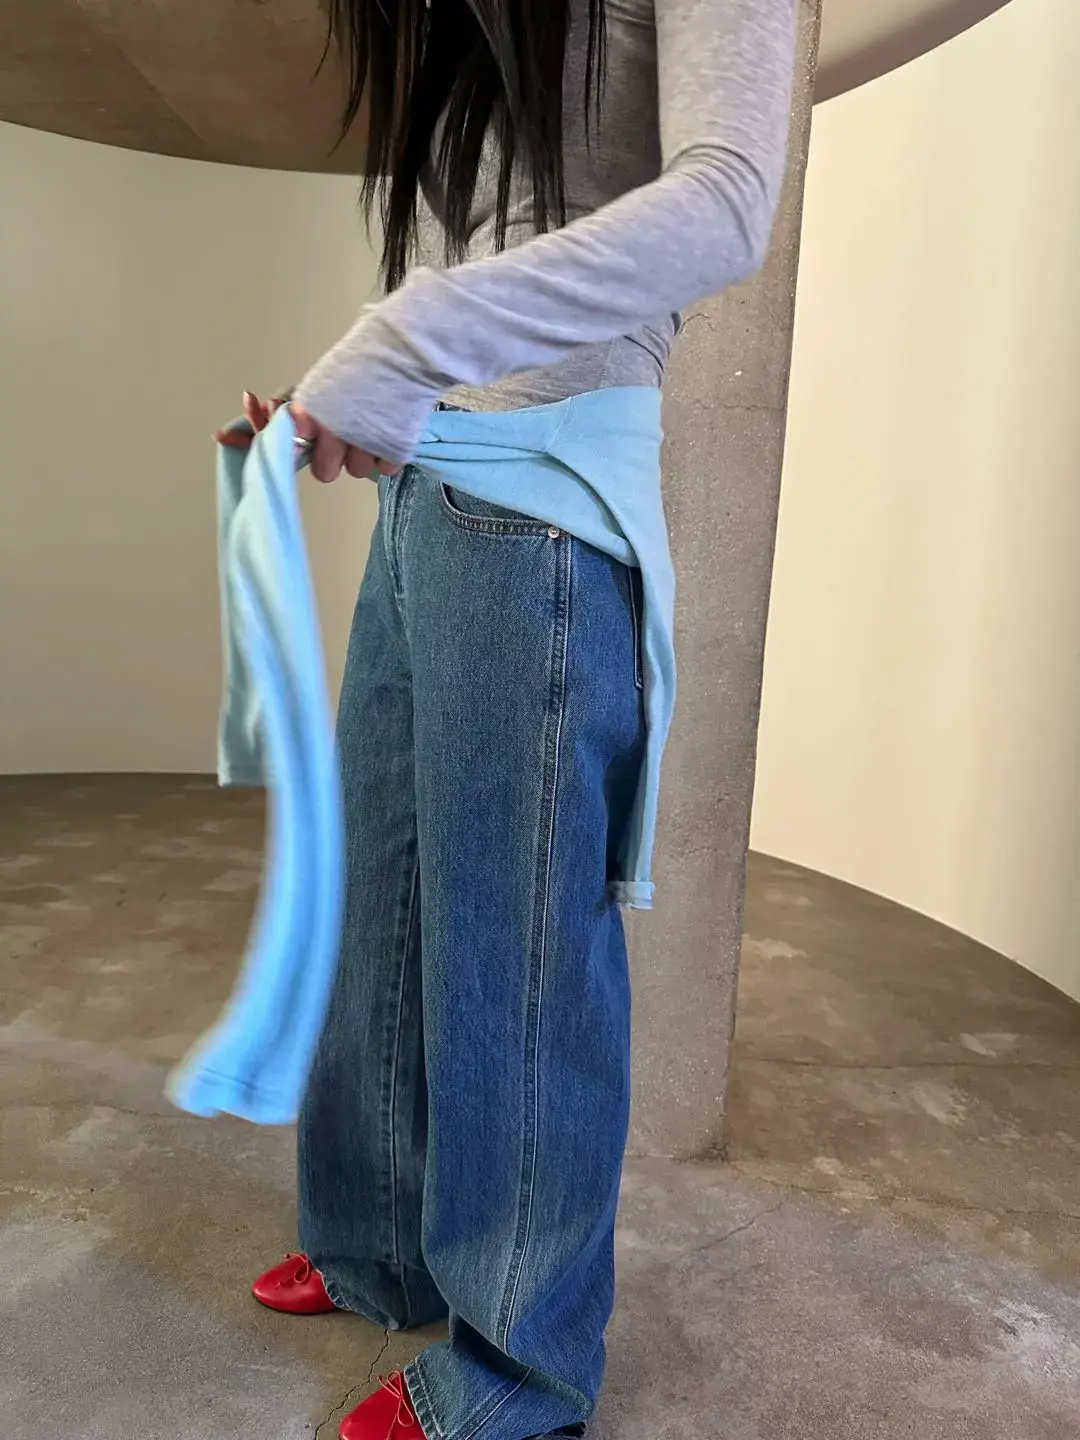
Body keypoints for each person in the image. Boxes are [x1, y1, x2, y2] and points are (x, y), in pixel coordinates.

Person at [223, 2, 797, 1436]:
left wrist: (401, 340)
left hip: (544, 507)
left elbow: (727, 200)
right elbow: (493, 240)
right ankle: (378, 1240)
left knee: (518, 953)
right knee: (386, 898)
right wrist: (355, 401)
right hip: (437, 488)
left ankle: (522, 1365)